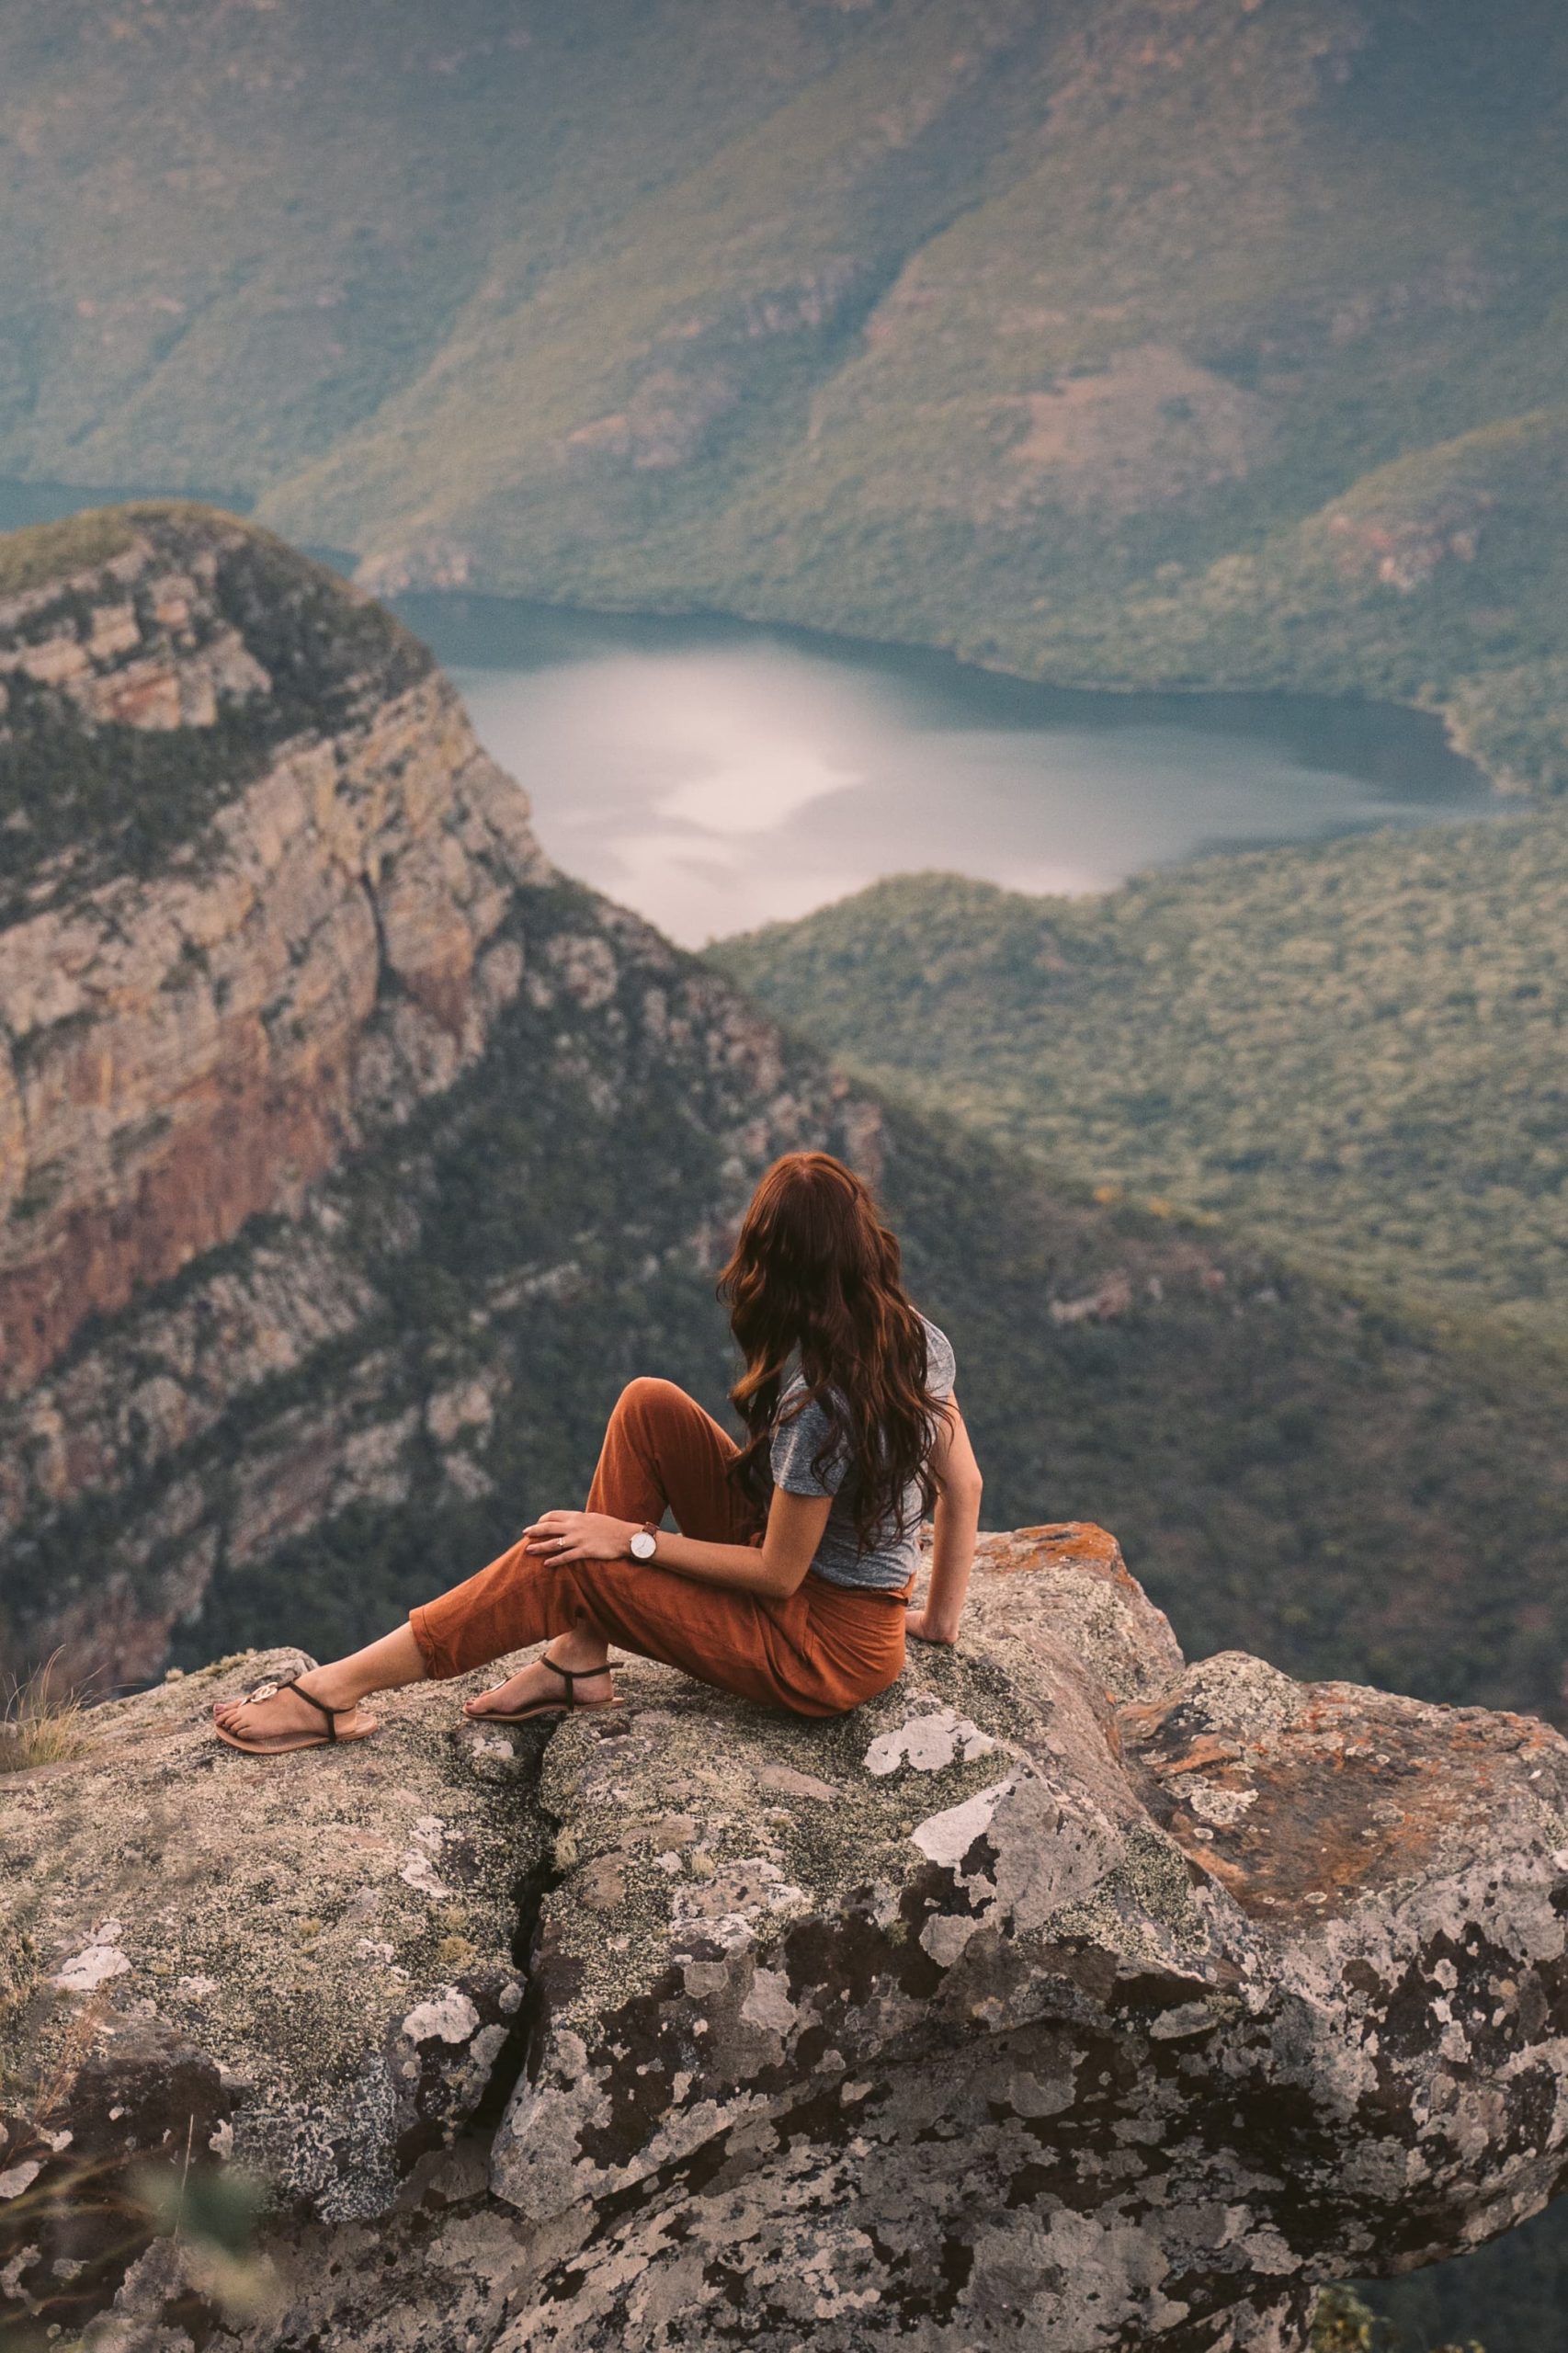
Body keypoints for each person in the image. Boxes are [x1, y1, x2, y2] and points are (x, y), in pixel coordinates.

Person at [212, 1151, 983, 1755]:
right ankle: (578, 1656)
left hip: (819, 1653)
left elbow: (778, 1577)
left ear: (779, 1271)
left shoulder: (819, 1407)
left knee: (573, 1556)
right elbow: (967, 1484)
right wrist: (936, 1620)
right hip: (842, 1612)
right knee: (648, 1404)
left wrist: (637, 1542)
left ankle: (331, 1692)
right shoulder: (913, 1335)